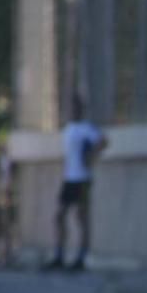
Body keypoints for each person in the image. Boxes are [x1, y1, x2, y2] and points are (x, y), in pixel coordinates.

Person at [43, 96, 108, 271]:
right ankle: (59, 254)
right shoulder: (68, 129)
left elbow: (103, 141)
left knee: (81, 217)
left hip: (83, 179)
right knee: (59, 216)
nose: (72, 111)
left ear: (81, 109)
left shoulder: (87, 128)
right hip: (69, 178)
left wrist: (91, 157)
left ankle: (81, 257)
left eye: (75, 108)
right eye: (70, 108)